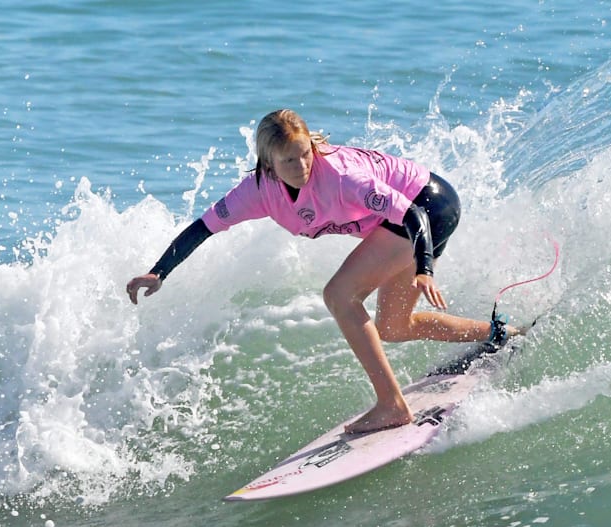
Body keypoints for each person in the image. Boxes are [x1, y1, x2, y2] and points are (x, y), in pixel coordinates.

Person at [126, 109, 511, 434]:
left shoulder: (342, 177)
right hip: (413, 220)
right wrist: (159, 272)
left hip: (427, 207)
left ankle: (392, 406)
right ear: (268, 165)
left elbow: (412, 215)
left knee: (339, 295)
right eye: (288, 161)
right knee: (394, 327)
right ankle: (500, 334)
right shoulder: (256, 192)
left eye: (305, 154)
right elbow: (203, 227)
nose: (301, 167)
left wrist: (424, 267)